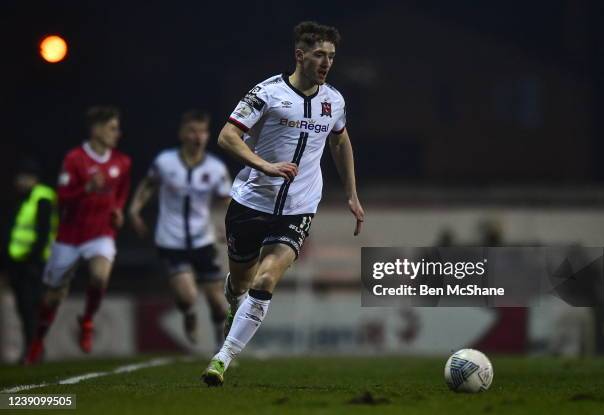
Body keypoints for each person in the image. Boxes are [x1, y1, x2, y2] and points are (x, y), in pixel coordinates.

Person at [201, 21, 365, 386]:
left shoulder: (333, 100)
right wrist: (265, 165)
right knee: (241, 281)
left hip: (299, 207)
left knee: (267, 276)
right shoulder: (267, 93)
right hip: (251, 202)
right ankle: (234, 302)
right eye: (320, 54)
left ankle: (222, 358)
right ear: (300, 55)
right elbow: (227, 137)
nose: (326, 63)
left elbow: (340, 143)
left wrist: (352, 193)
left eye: (332, 56)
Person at [24, 106, 131, 364]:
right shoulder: (75, 159)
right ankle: (38, 340)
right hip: (69, 238)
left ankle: (87, 320)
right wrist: (86, 189)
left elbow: (121, 192)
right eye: (112, 128)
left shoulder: (122, 162)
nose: (117, 133)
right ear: (96, 129)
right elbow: (62, 199)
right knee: (52, 297)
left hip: (100, 233)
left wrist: (118, 211)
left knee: (99, 276)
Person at [129, 110, 231, 348]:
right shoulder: (165, 162)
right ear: (182, 133)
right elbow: (148, 185)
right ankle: (189, 314)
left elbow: (228, 202)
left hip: (203, 240)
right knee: (188, 297)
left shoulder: (216, 168)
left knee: (218, 302)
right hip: (171, 240)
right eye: (193, 130)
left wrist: (228, 227)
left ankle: (220, 346)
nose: (198, 136)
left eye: (203, 131)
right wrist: (134, 210)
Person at [4, 159, 58, 361]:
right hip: (18, 262)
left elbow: (43, 232)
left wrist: (33, 259)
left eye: (23, 177)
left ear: (33, 178)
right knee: (24, 307)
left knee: (30, 306)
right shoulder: (21, 198)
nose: (19, 181)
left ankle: (33, 349)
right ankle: (32, 348)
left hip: (34, 263)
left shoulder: (42, 197)